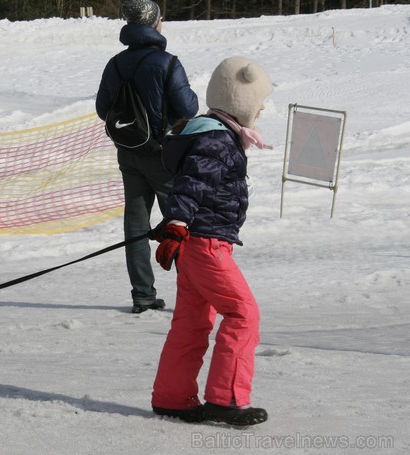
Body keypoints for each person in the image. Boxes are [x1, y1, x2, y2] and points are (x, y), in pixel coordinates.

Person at [150, 56, 273, 426]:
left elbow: (193, 181)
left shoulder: (212, 133)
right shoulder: (218, 139)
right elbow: (193, 183)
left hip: (196, 243)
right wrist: (176, 221)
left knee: (191, 322)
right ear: (241, 101)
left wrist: (179, 225)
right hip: (205, 245)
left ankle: (173, 396)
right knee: (242, 312)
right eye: (260, 102)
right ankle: (227, 398)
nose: (263, 108)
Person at [96, 0, 198, 314]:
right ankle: (191, 295)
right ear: (155, 23)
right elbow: (189, 108)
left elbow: (103, 109)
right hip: (164, 155)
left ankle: (142, 294)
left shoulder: (114, 64)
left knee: (136, 225)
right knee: (180, 224)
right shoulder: (167, 63)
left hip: (129, 153)